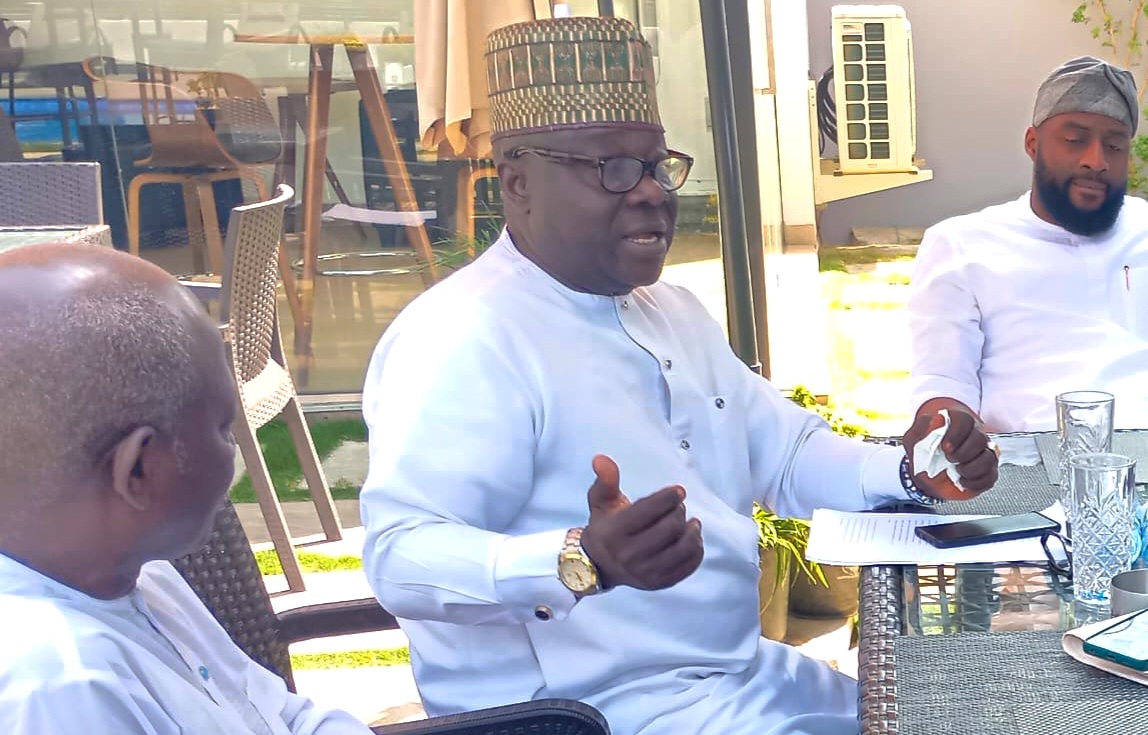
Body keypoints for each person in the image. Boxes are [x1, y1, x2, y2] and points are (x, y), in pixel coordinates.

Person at [360, 16, 999, 735]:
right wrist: (580, 558)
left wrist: (911, 469)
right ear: (517, 181)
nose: (651, 193)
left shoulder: (672, 311)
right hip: (591, 715)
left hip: (739, 676)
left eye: (658, 165)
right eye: (611, 169)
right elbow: (398, 555)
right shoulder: (463, 337)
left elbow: (784, 451)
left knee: (975, 708)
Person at [0, 243, 373, 735]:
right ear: (137, 470)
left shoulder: (133, 572)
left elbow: (277, 716)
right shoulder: (61, 688)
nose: (234, 455)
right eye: (223, 428)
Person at [909, 55, 1148, 433]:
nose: (1096, 161)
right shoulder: (961, 246)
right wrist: (955, 439)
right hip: (1029, 468)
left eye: (1115, 146)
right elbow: (943, 385)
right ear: (1033, 144)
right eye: (1075, 140)